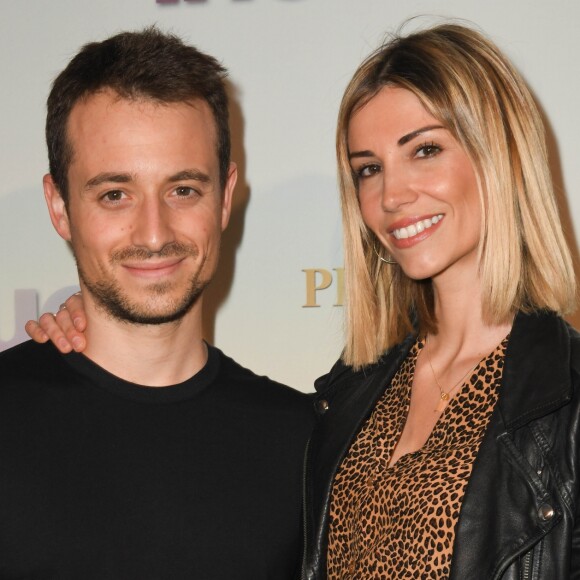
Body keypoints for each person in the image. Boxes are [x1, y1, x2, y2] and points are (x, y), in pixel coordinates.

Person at [27, 23, 580, 580]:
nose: (391, 195)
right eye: (369, 169)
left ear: (502, 154)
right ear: (61, 206)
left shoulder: (564, 395)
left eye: (426, 150)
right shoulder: (349, 396)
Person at [0, 27, 313, 578]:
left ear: (225, 196)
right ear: (58, 206)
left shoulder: (306, 443)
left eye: (183, 189)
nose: (152, 233)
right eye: (114, 194)